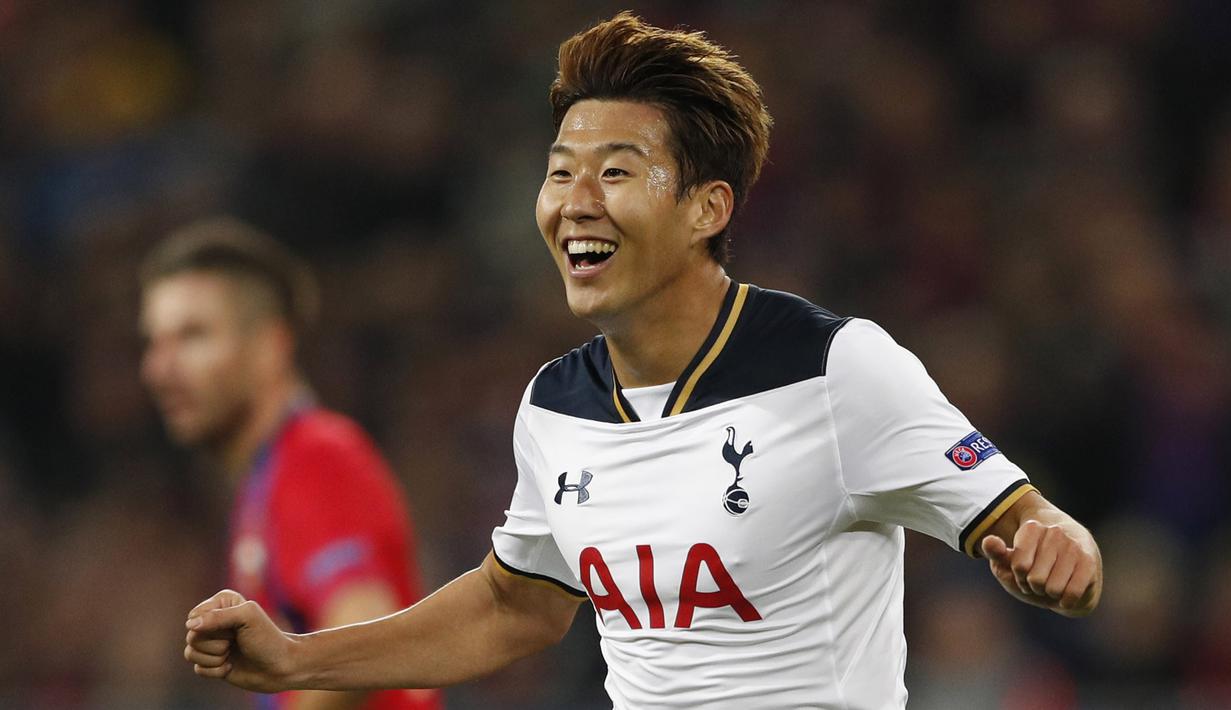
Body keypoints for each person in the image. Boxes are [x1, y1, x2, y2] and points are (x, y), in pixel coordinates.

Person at [182, 14, 1103, 709]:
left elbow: (1031, 522)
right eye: (558, 172)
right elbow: (515, 606)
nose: (573, 203)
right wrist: (297, 659)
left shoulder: (835, 369)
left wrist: (1060, 547)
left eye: (615, 173)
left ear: (707, 208)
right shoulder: (555, 406)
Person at [141, 217, 442, 710]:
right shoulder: (266, 477)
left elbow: (361, 626)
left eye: (192, 336)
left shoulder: (316, 456)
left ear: (269, 345)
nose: (159, 368)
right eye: (154, 341)